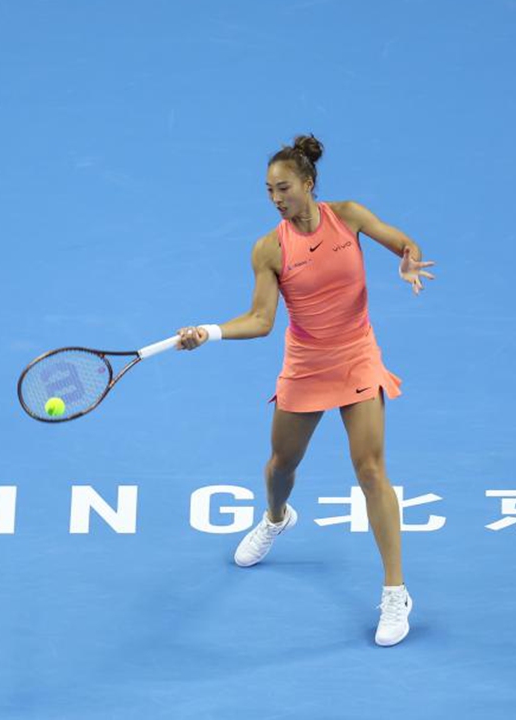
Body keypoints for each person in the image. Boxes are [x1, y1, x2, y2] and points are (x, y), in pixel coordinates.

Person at [176, 134, 436, 647]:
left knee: (371, 469)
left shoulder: (349, 217)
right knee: (280, 467)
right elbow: (261, 319)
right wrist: (210, 331)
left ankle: (395, 592)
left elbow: (405, 243)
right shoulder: (269, 248)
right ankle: (277, 518)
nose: (277, 199)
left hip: (357, 354)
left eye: (285, 188)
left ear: (309, 184)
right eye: (269, 191)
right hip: (306, 362)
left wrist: (407, 259)